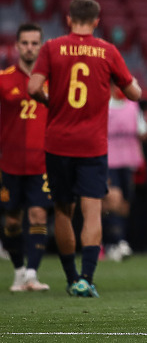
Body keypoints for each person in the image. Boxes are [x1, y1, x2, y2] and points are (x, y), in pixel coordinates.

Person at [28, 0, 142, 298]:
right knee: (92, 211)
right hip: (92, 144)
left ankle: (70, 277)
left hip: (58, 142)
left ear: (68, 19)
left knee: (63, 210)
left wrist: (52, 104)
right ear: (95, 21)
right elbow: (134, 92)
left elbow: (32, 87)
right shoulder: (107, 50)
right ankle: (87, 279)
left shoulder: (52, 48)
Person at [0, 23, 51, 292]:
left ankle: (32, 273)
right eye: (25, 43)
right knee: (11, 220)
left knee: (38, 215)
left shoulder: (52, 80)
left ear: (41, 45)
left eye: (34, 43)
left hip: (41, 163)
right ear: (17, 46)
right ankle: (19, 271)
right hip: (9, 163)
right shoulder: (4, 78)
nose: (30, 47)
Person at [103, 85, 147, 261]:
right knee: (113, 198)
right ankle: (116, 241)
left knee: (124, 205)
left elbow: (143, 132)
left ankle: (115, 241)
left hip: (128, 160)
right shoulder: (104, 106)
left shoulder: (132, 107)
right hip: (109, 160)